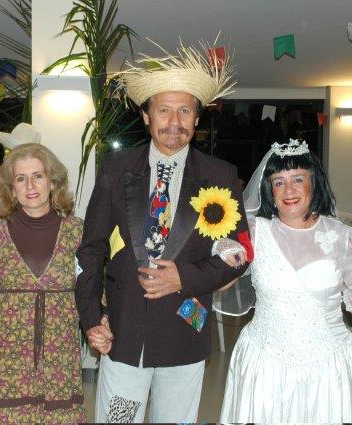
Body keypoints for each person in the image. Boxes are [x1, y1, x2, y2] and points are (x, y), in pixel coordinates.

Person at [75, 40, 251, 423]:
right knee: (119, 420)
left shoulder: (219, 175)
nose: (175, 122)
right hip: (122, 331)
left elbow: (238, 253)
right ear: (146, 116)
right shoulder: (116, 168)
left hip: (186, 330)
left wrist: (182, 278)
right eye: (164, 110)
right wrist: (91, 317)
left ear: (197, 119)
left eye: (185, 110)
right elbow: (90, 250)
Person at [220, 139, 352, 423]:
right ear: (269, 189)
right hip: (264, 363)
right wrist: (221, 253)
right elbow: (220, 285)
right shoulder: (254, 231)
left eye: (298, 179)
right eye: (279, 182)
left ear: (313, 183)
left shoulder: (345, 237)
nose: (289, 190)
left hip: (329, 367)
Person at [0, 129, 85, 424]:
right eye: (21, 179)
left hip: (59, 358)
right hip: (7, 359)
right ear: (12, 188)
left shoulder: (76, 232)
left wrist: (106, 321)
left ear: (52, 182)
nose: (30, 185)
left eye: (38, 176)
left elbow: (90, 289)